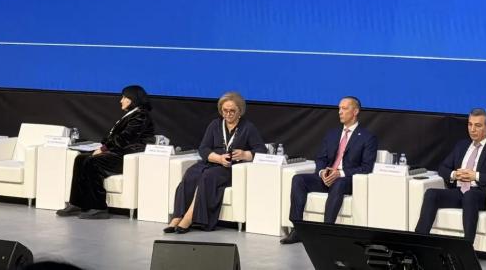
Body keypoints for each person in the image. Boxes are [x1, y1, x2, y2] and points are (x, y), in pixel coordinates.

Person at [281, 96, 377, 244]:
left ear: (355, 111)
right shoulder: (332, 134)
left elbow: (366, 167)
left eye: (344, 108)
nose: (340, 112)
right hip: (327, 178)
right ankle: (298, 229)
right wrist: (322, 172)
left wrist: (340, 173)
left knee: (338, 182)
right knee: (298, 179)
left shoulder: (367, 137)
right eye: (339, 108)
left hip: (347, 180)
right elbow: (321, 158)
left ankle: (326, 232)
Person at [166, 92, 264, 234]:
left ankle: (189, 217)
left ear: (240, 111)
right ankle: (177, 216)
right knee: (191, 174)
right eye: (225, 110)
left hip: (230, 167)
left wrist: (244, 154)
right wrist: (218, 158)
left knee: (208, 177)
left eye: (232, 111)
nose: (228, 114)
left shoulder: (248, 127)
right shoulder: (215, 124)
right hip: (214, 160)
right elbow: (203, 148)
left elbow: (261, 150)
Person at [414, 108, 486, 245]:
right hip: (459, 192)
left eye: (478, 125)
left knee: (470, 196)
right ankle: (418, 242)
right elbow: (443, 168)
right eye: (470, 124)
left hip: (482, 195)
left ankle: (466, 247)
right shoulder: (462, 145)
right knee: (431, 194)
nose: (472, 129)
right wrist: (454, 174)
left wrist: (476, 176)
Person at [56, 85, 154, 219]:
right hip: (117, 152)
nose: (121, 100)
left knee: (93, 162)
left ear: (133, 99)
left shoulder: (141, 116)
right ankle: (77, 203)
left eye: (124, 97)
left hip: (125, 156)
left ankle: (98, 208)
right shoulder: (132, 114)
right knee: (80, 159)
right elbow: (114, 137)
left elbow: (125, 138)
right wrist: (104, 145)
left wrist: (103, 148)